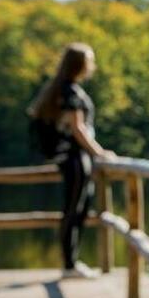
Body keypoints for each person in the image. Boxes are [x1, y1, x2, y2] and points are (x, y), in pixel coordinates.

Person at [29, 43, 115, 278]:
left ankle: (71, 263)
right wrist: (99, 153)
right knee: (73, 210)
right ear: (80, 64)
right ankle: (69, 265)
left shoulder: (61, 88)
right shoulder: (69, 93)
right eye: (90, 61)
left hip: (74, 158)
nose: (93, 66)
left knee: (78, 209)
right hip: (75, 159)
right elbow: (78, 129)